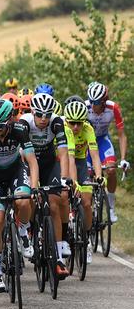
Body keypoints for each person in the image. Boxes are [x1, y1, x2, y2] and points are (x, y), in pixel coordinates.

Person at [0, 99, 39, 292]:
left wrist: (34, 187)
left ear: (10, 121)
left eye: (1, 126)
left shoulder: (20, 129)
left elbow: (32, 161)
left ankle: (23, 231)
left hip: (15, 171)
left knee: (23, 199)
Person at [18, 93, 71, 277]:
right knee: (30, 198)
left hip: (48, 163)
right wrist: (33, 183)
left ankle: (58, 257)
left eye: (47, 115)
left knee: (56, 201)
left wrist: (64, 178)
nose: (43, 119)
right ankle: (30, 230)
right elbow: (23, 154)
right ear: (32, 111)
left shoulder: (56, 122)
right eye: (39, 114)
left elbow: (63, 153)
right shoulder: (24, 122)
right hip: (28, 161)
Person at [64, 101, 103, 265]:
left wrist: (99, 176)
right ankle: (63, 237)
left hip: (80, 162)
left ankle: (86, 240)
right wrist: (73, 183)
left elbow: (94, 155)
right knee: (63, 198)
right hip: (64, 161)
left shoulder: (88, 129)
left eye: (78, 123)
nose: (75, 127)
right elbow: (69, 159)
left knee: (87, 203)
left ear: (84, 122)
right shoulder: (65, 129)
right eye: (72, 122)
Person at [86, 82, 128, 222]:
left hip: (103, 140)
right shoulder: (85, 107)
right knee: (87, 174)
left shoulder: (113, 107)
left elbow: (121, 134)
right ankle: (87, 209)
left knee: (111, 170)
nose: (93, 105)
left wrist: (122, 158)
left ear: (104, 101)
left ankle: (110, 208)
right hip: (86, 143)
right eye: (91, 101)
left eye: (96, 102)